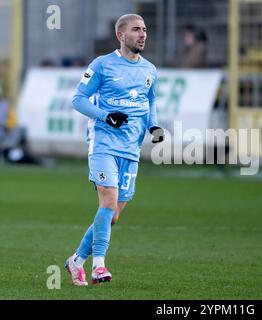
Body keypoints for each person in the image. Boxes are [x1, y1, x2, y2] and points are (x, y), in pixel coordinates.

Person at [66, 14, 164, 286]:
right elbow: (78, 99)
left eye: (145, 29)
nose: (143, 34)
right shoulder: (101, 65)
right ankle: (99, 266)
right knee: (108, 202)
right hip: (104, 145)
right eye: (136, 30)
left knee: (113, 215)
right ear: (121, 36)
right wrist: (105, 116)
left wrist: (153, 127)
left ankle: (76, 261)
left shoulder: (150, 70)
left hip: (131, 150)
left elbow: (150, 101)